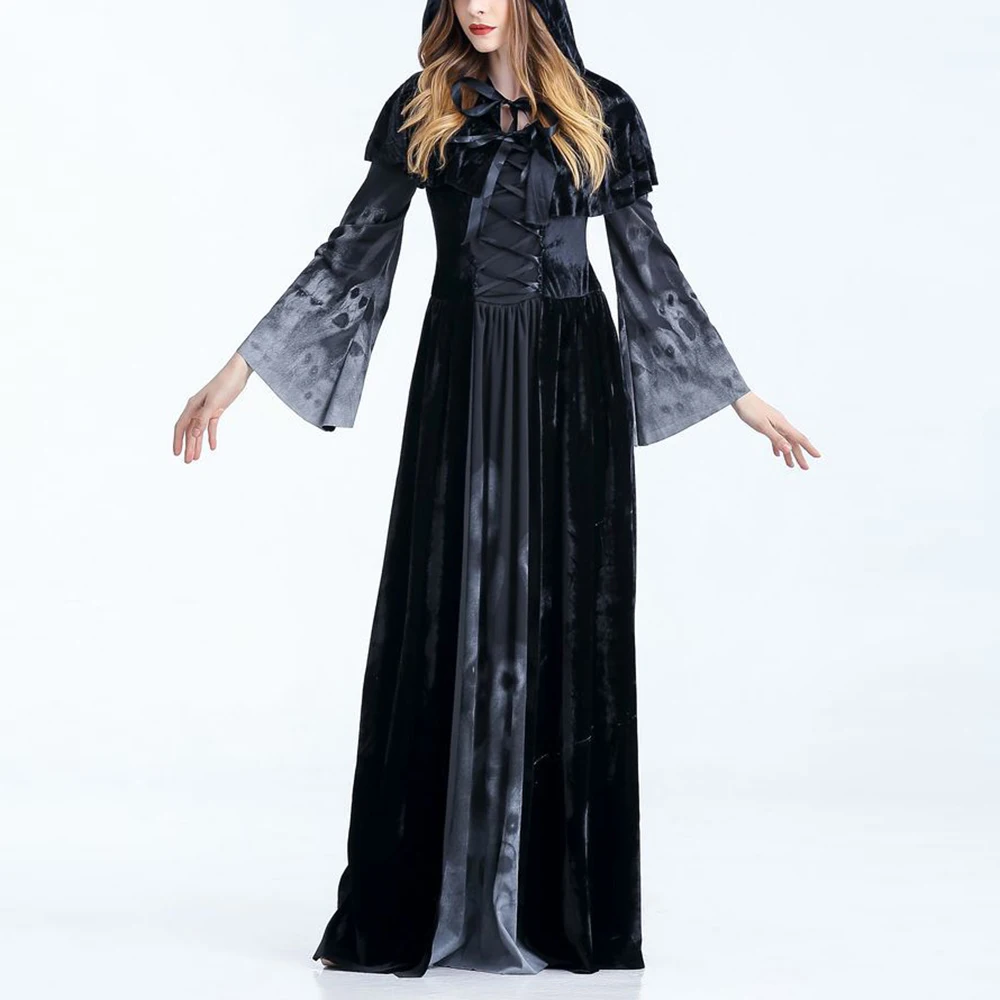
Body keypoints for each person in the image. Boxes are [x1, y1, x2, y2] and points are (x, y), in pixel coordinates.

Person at [173, 0, 820, 979]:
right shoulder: (425, 105)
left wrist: (738, 394)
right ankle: (433, 899)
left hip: (571, 385)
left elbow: (647, 264)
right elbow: (353, 248)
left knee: (565, 611)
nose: (476, 5)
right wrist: (239, 371)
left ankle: (556, 909)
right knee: (448, 606)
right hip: (464, 374)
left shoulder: (601, 110)